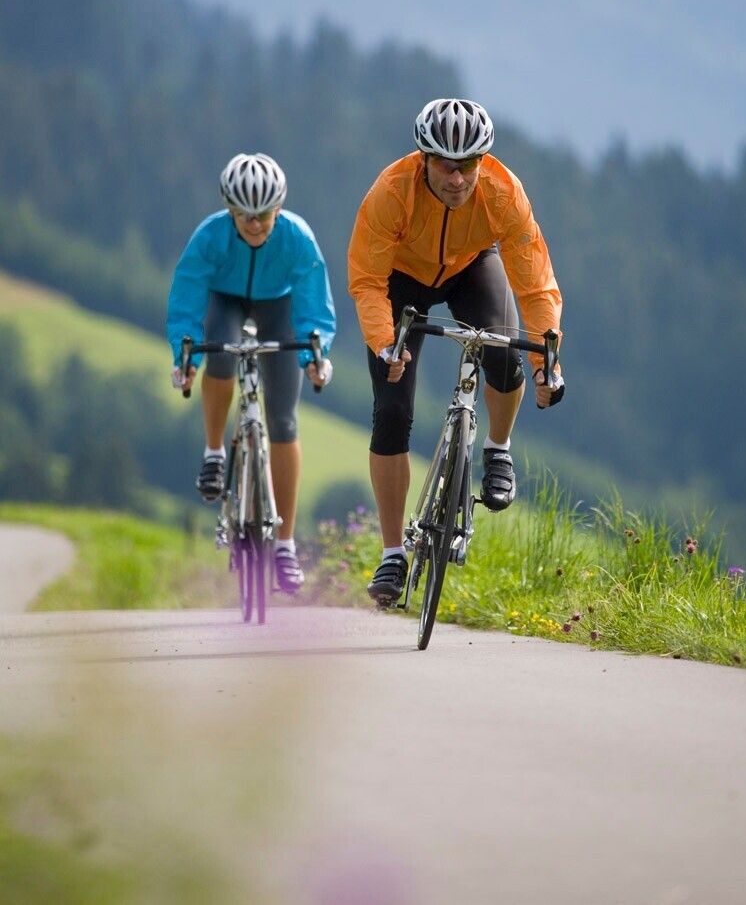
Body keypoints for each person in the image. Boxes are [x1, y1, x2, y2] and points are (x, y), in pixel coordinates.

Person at [348, 98, 564, 605]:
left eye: (468, 164)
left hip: (471, 267)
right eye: (446, 165)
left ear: (482, 161)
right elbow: (367, 279)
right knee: (392, 410)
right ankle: (392, 554)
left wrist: (546, 364)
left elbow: (535, 285)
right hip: (400, 280)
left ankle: (497, 449)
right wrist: (384, 344)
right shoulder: (390, 192)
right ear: (424, 159)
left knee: (505, 355)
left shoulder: (504, 193)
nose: (458, 177)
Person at [168, 152, 336, 592]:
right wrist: (185, 359)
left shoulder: (297, 237)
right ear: (230, 210)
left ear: (278, 208)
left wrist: (315, 357)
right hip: (224, 301)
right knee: (220, 352)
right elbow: (187, 298)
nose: (255, 223)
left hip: (279, 305)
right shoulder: (210, 236)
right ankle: (215, 453)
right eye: (244, 215)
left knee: (284, 421)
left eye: (263, 214)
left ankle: (284, 546)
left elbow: (313, 305)